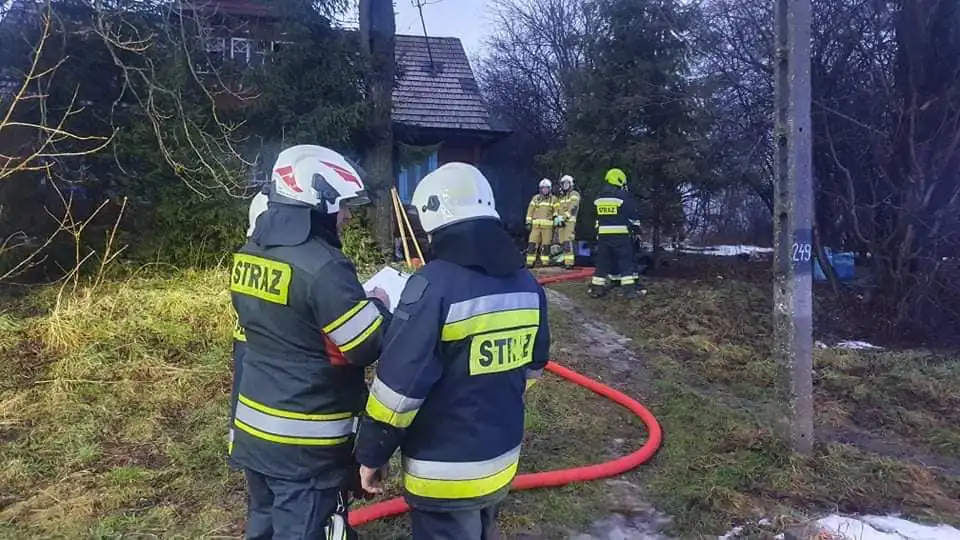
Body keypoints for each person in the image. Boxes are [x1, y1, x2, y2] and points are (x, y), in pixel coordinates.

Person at [354, 162, 550, 540]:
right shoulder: (528, 284)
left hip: (443, 473)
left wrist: (371, 454)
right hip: (501, 460)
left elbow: (396, 393)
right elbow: (534, 366)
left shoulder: (432, 287)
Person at [230, 145, 391, 540]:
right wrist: (381, 307)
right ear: (319, 203)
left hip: (255, 430)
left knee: (264, 523)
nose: (348, 216)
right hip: (307, 442)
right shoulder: (324, 266)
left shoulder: (250, 253)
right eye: (344, 207)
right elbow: (365, 345)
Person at [228, 190, 270, 462]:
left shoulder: (247, 254)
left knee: (243, 394)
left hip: (245, 335)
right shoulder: (279, 257)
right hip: (262, 340)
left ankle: (238, 448)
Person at [589, 167, 642, 300]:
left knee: (602, 263)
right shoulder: (622, 195)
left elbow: (596, 217)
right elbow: (632, 215)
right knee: (625, 262)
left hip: (603, 236)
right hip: (621, 235)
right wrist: (637, 230)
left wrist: (597, 231)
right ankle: (629, 291)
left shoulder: (599, 196)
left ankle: (596, 289)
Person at [524, 178, 556, 267]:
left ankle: (545, 263)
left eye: (546, 188)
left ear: (549, 189)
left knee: (546, 245)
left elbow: (556, 210)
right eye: (543, 188)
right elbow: (530, 210)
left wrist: (556, 219)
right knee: (532, 244)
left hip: (548, 227)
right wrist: (528, 222)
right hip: (535, 226)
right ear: (540, 189)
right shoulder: (536, 198)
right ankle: (530, 262)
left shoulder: (553, 199)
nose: (544, 190)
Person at [553, 174, 581, 269]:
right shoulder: (561, 197)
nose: (565, 185)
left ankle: (569, 263)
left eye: (566, 183)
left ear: (571, 184)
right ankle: (564, 260)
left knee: (567, 242)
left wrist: (564, 217)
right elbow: (557, 208)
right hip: (561, 223)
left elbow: (573, 207)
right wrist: (556, 217)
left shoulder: (574, 194)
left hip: (569, 222)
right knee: (561, 242)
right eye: (563, 183)